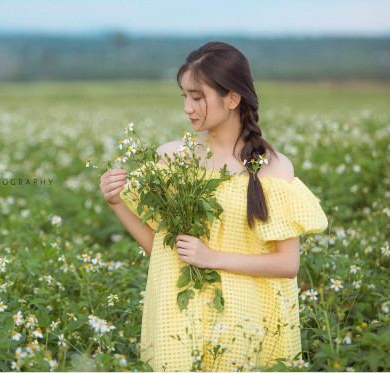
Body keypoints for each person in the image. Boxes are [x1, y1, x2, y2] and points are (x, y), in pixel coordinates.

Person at [99, 41, 328, 371]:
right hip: (179, 320)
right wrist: (117, 201)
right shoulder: (173, 158)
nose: (187, 108)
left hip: (242, 319)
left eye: (198, 96)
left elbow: (288, 263)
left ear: (232, 98)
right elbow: (162, 249)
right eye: (185, 96)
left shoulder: (273, 168)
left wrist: (212, 258)